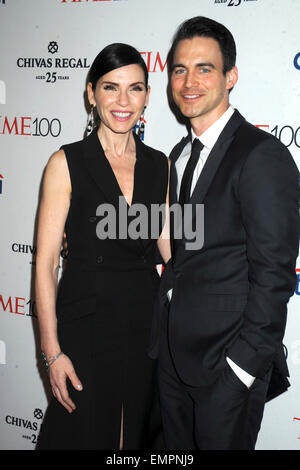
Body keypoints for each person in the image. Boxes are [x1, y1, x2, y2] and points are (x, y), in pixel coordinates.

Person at [149, 16, 299, 450]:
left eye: (204, 68)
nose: (189, 81)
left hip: (226, 372)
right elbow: (186, 247)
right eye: (179, 69)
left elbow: (274, 277)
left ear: (230, 76)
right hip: (174, 362)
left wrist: (242, 370)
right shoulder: (179, 156)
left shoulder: (261, 156)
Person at [35, 43, 170, 450]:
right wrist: (52, 352)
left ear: (147, 95)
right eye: (111, 88)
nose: (123, 101)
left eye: (135, 88)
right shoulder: (66, 162)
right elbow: (44, 265)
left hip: (145, 323)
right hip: (85, 324)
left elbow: (173, 253)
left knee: (136, 438)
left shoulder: (159, 164)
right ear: (91, 94)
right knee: (82, 433)